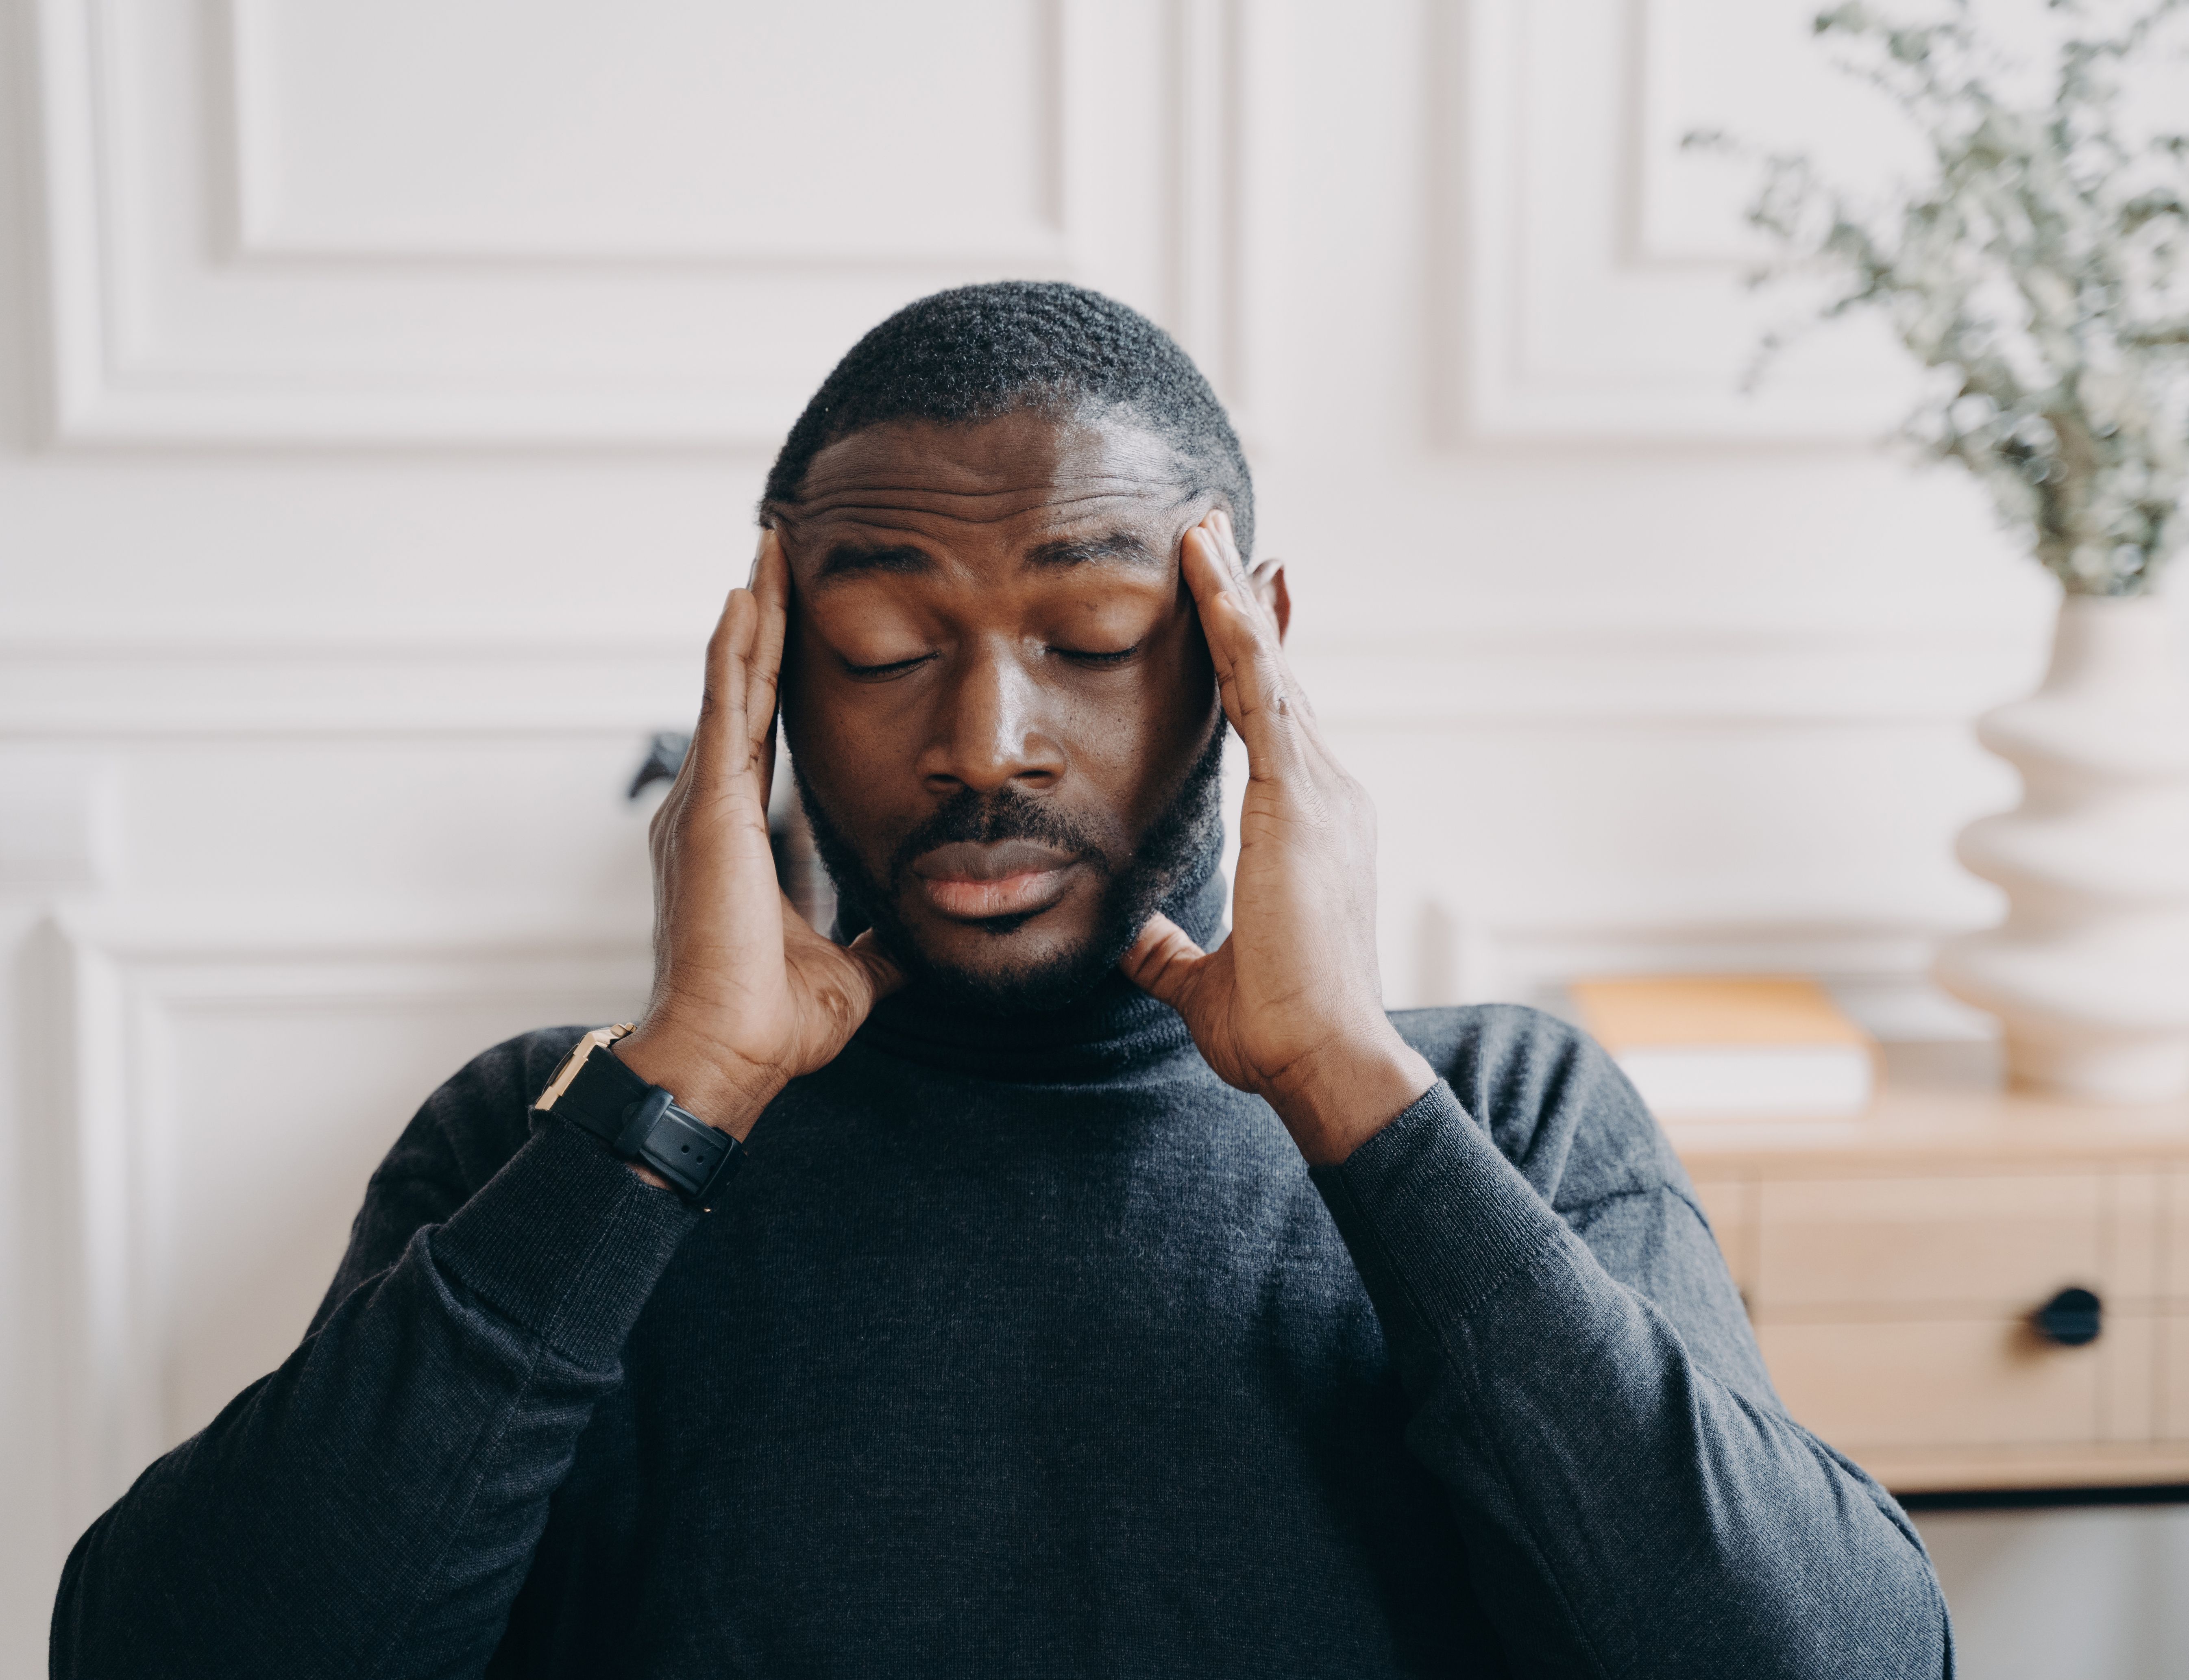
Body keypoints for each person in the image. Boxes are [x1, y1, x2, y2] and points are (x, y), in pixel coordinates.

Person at [50, 283, 1949, 1678]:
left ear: (1243, 650)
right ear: (769, 665)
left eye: (1096, 633)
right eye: (882, 644)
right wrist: (669, 1099)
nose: (987, 737)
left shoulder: (1506, 1118)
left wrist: (1348, 1091)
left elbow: (1833, 1663)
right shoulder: (544, 1135)